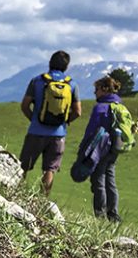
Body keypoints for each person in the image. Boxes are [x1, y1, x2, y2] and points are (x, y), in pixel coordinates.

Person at [19, 50, 81, 196]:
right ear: (66, 66)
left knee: (23, 167)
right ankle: (42, 201)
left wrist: (34, 119)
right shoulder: (71, 84)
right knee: (50, 169)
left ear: (50, 63)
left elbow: (25, 105)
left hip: (36, 131)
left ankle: (16, 195)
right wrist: (64, 122)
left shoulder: (38, 81)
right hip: (58, 135)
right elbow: (77, 111)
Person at [80, 75, 123, 222]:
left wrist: (83, 148)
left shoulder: (100, 108)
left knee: (98, 180)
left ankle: (100, 215)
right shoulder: (119, 106)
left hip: (101, 148)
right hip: (115, 147)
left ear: (104, 89)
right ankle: (114, 214)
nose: (95, 92)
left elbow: (91, 131)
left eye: (96, 89)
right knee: (110, 180)